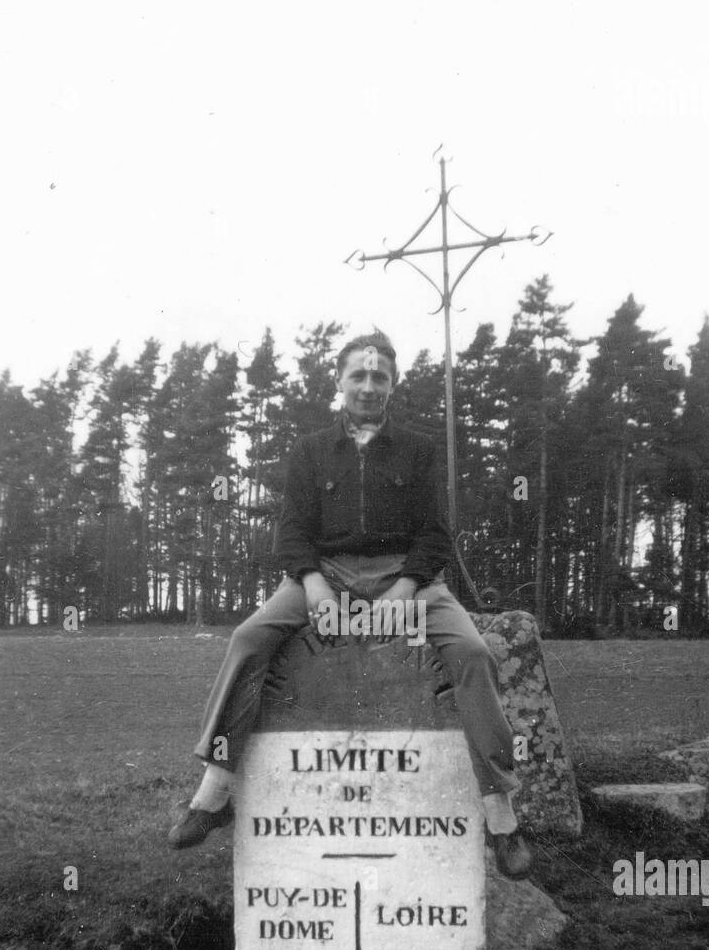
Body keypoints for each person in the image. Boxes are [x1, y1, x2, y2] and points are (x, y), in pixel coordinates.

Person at [168, 330, 531, 877]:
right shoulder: (311, 450)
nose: (368, 386)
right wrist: (312, 583)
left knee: (473, 652)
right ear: (337, 382)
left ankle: (500, 816)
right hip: (328, 575)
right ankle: (214, 792)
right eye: (357, 376)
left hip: (406, 578)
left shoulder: (418, 448)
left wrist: (406, 587)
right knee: (249, 639)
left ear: (393, 385)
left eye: (379, 376)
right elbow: (291, 530)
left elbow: (435, 533)